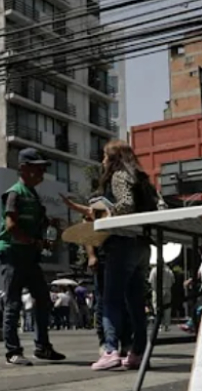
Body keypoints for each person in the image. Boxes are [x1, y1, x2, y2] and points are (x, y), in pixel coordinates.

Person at [63, 140, 158, 371]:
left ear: (114, 159)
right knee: (136, 302)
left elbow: (125, 204)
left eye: (105, 157)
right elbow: (157, 205)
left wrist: (106, 212)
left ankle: (110, 350)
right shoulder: (142, 179)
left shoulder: (118, 176)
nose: (103, 161)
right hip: (142, 244)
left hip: (122, 242)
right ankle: (138, 352)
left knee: (111, 300)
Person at [0, 148, 65, 366]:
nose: (42, 173)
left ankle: (42, 347)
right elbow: (11, 226)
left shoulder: (34, 196)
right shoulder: (15, 193)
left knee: (43, 299)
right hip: (13, 252)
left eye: (43, 169)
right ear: (24, 169)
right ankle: (13, 351)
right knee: (13, 302)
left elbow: (41, 223)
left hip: (29, 255)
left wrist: (50, 226)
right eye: (38, 168)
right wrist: (34, 241)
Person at [148, 263, 174, 332]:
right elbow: (173, 281)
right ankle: (167, 325)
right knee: (167, 308)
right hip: (167, 290)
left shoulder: (154, 270)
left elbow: (151, 281)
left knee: (157, 308)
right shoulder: (169, 270)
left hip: (157, 291)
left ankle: (159, 325)